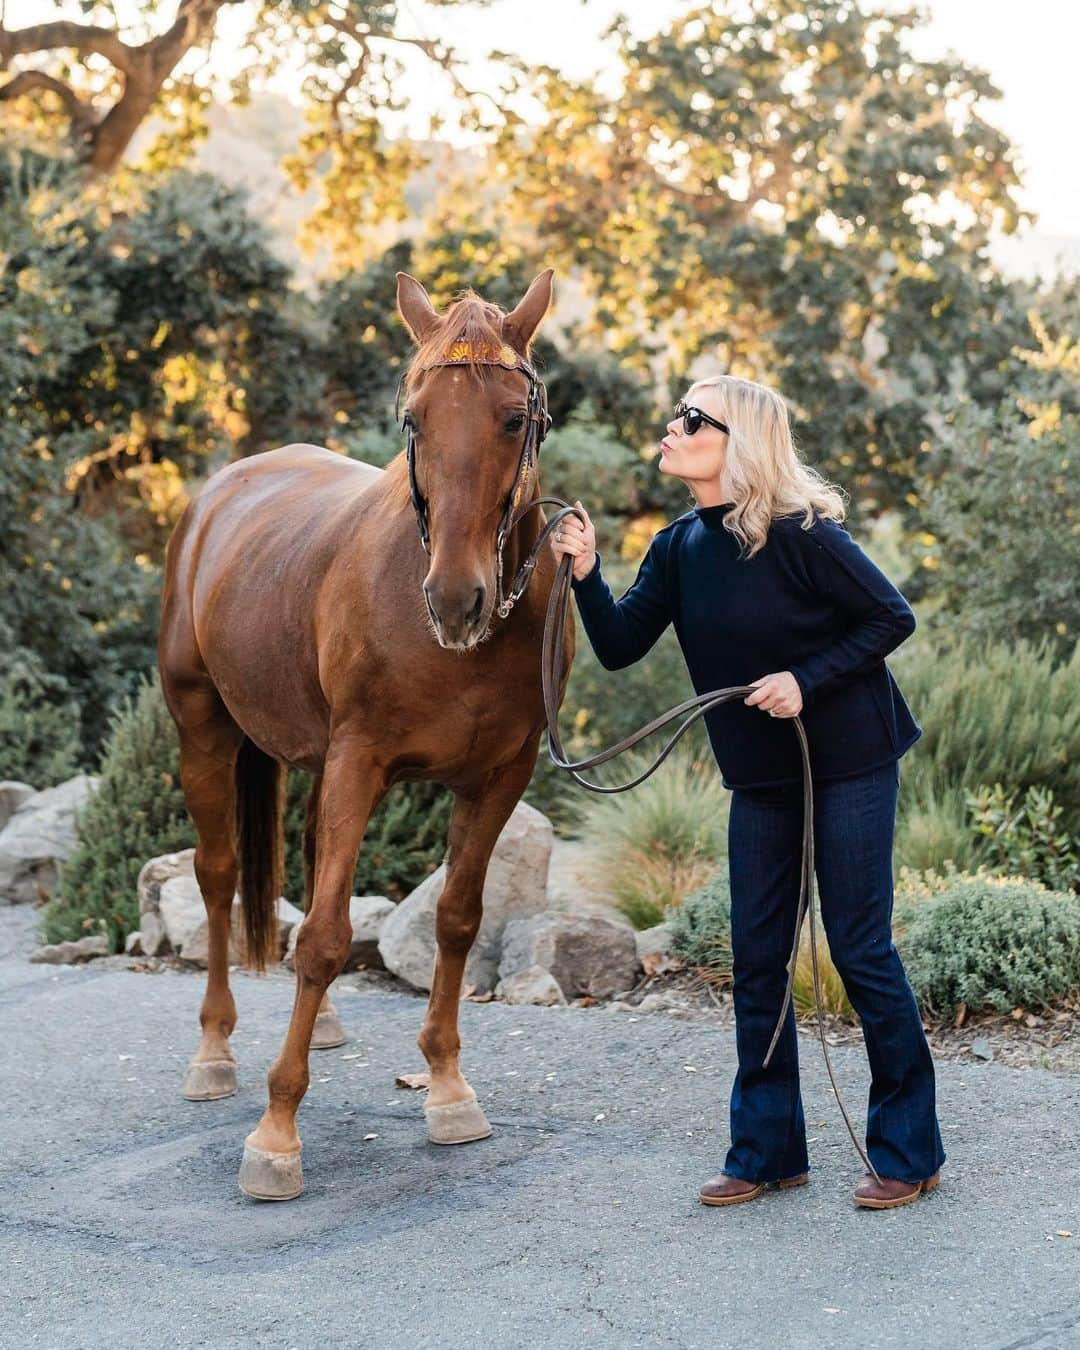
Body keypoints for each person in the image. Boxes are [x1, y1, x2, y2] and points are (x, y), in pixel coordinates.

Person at [551, 374, 945, 1211]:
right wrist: (586, 574)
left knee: (860, 949)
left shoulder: (803, 535)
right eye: (677, 414)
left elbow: (891, 618)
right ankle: (768, 1151)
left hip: (851, 759)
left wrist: (806, 678)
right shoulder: (676, 547)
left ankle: (910, 1149)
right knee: (758, 957)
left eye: (693, 418)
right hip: (761, 776)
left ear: (740, 439)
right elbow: (620, 645)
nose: (672, 425)